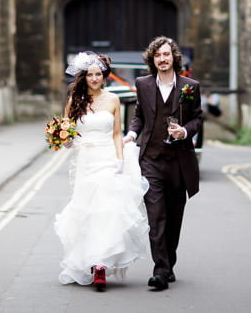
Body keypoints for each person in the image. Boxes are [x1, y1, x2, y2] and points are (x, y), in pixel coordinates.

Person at [54, 51, 149, 291]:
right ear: (84, 77)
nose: (95, 78)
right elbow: (68, 131)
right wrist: (64, 140)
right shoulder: (74, 101)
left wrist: (119, 160)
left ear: (104, 76)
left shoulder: (113, 100)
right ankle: (86, 258)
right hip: (85, 160)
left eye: (98, 74)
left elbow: (117, 133)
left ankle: (100, 266)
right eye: (90, 75)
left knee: (106, 211)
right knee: (86, 211)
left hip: (107, 159)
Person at [124, 36, 202, 291]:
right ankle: (160, 271)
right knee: (156, 217)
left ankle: (168, 263)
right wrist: (132, 134)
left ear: (174, 57)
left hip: (179, 162)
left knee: (174, 218)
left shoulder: (190, 86)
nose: (162, 59)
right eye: (158, 55)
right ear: (152, 59)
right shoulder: (143, 84)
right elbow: (139, 116)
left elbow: (197, 120)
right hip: (151, 160)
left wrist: (185, 132)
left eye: (166, 54)